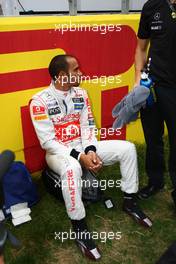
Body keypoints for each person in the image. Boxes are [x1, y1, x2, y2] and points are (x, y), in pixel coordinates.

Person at [30, 54, 152, 261]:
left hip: (82, 147)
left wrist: (91, 151)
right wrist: (79, 157)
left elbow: (87, 127)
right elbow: (48, 142)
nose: (81, 73)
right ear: (61, 75)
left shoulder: (82, 94)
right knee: (73, 169)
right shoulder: (39, 101)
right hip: (58, 154)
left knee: (128, 148)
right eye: (76, 70)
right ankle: (79, 226)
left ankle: (130, 201)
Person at [135, 0, 176, 202]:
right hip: (151, 86)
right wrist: (138, 83)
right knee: (152, 138)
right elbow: (141, 48)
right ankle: (155, 181)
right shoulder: (152, 6)